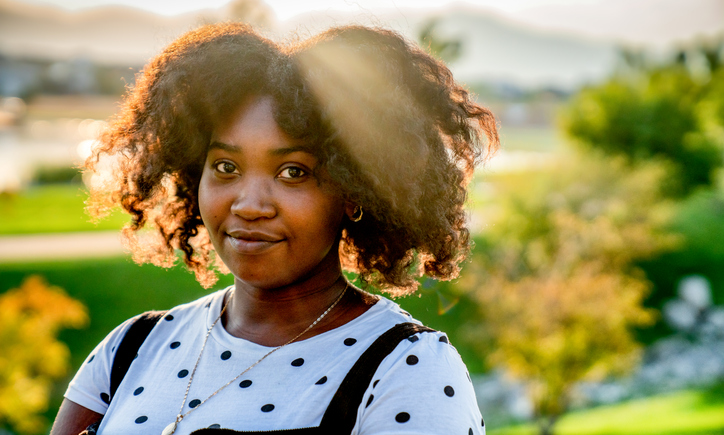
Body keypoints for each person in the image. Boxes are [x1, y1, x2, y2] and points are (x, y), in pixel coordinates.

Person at [51, 22, 498, 435]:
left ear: (356, 190)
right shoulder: (131, 350)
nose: (249, 205)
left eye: (293, 173)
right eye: (226, 166)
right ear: (194, 175)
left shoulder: (407, 370)